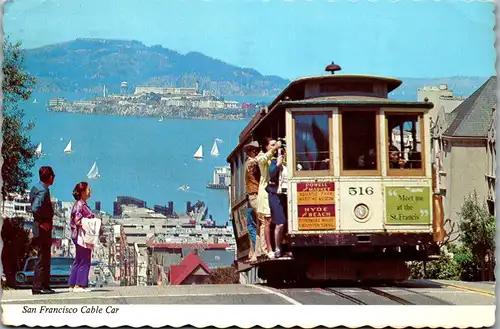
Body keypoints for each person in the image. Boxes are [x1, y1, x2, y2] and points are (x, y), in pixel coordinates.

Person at [68, 182, 100, 292]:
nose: (90, 191)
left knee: (78, 259)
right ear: (82, 192)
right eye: (88, 189)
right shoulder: (80, 204)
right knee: (85, 259)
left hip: (77, 235)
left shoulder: (81, 203)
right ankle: (79, 285)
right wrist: (90, 222)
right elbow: (77, 220)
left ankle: (73, 284)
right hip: (81, 236)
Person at [29, 166, 56, 295]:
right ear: (49, 177)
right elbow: (35, 208)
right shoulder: (44, 191)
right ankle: (39, 286)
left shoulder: (35, 187)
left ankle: (44, 286)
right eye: (53, 176)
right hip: (43, 229)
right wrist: (43, 222)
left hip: (37, 228)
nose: (54, 178)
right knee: (43, 258)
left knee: (42, 257)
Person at [256, 137, 281, 259]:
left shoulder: (277, 157)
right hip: (266, 194)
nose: (274, 147)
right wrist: (274, 150)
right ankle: (269, 249)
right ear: (266, 147)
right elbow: (261, 160)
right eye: (272, 145)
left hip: (276, 192)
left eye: (275, 145)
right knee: (268, 221)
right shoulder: (262, 157)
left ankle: (278, 247)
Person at [267, 146, 287, 258]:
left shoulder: (291, 163)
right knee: (280, 222)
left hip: (287, 195)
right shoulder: (274, 163)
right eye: (281, 153)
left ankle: (284, 245)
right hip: (275, 195)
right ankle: (277, 248)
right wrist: (278, 164)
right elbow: (272, 173)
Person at [244, 141, 262, 262]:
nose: (255, 152)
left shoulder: (249, 162)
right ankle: (257, 252)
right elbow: (256, 163)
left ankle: (254, 252)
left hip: (252, 195)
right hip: (255, 195)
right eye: (253, 150)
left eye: (256, 150)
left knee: (257, 225)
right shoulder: (251, 162)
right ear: (249, 152)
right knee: (262, 223)